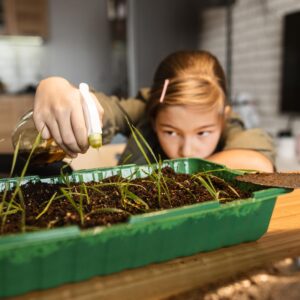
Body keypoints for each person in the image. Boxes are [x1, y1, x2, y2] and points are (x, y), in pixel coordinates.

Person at [18, 50, 275, 172]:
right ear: (153, 116)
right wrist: (55, 87)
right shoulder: (143, 109)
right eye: (171, 132)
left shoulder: (229, 124)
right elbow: (105, 110)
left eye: (203, 133)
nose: (186, 150)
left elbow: (257, 162)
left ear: (224, 117)